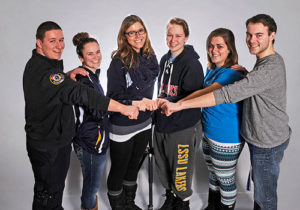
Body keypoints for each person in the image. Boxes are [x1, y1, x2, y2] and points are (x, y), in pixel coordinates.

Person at [162, 14, 291, 210]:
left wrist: (178, 105)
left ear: (272, 35)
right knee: (216, 176)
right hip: (239, 136)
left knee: (263, 197)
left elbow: (223, 94)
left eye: (259, 35)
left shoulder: (263, 68)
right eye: (249, 35)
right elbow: (255, 85)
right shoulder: (260, 64)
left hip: (264, 141)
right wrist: (248, 75)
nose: (252, 40)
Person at [23, 21, 138, 210]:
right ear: (39, 43)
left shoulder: (40, 65)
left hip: (49, 141)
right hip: (50, 146)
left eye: (61, 40)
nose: (59, 45)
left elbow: (51, 86)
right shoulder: (47, 73)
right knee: (49, 196)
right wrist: (124, 108)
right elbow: (83, 95)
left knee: (48, 192)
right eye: (52, 41)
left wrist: (66, 74)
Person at [178, 28, 244, 210]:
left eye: (219, 46)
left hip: (226, 137)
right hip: (209, 132)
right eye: (210, 46)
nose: (214, 50)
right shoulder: (212, 69)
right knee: (214, 175)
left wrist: (177, 104)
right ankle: (211, 206)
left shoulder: (232, 73)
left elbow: (205, 93)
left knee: (226, 180)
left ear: (230, 48)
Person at [106, 15, 159, 210]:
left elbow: (148, 92)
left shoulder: (150, 58)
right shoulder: (118, 62)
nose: (137, 36)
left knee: (134, 166)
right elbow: (111, 98)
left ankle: (129, 202)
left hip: (144, 123)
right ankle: (118, 206)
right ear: (124, 36)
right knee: (119, 169)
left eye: (140, 31)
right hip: (123, 126)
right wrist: (137, 102)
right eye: (132, 32)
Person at [153, 17, 204, 210]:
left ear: (186, 38)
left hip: (182, 125)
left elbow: (192, 99)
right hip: (163, 123)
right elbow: (163, 91)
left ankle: (182, 202)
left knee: (180, 171)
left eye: (178, 36)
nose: (173, 39)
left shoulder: (192, 64)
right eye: (169, 35)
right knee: (163, 167)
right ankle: (170, 196)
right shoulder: (165, 59)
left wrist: (171, 104)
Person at [71, 32, 109, 210]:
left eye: (98, 52)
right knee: (91, 188)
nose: (96, 57)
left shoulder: (92, 77)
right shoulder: (82, 79)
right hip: (90, 142)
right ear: (81, 57)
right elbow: (97, 108)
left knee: (92, 185)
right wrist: (125, 106)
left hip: (93, 139)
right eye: (90, 54)